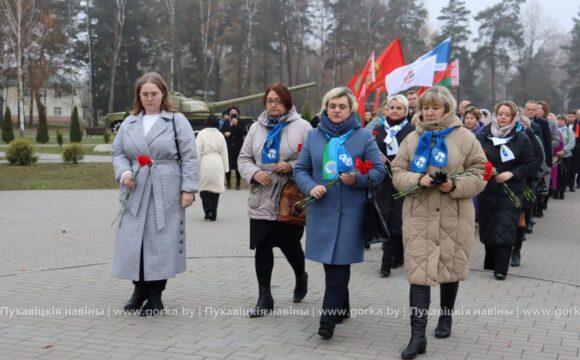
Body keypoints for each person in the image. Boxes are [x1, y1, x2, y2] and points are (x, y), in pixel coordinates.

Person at [392, 86, 486, 359]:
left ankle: (446, 317)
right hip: (419, 215)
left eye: (435, 107)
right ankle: (417, 335)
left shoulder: (465, 137)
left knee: (449, 268)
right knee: (419, 273)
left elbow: (480, 172)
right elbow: (397, 171)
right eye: (425, 107)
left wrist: (453, 185)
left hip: (453, 215)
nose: (429, 112)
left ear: (447, 108)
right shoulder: (411, 138)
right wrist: (415, 179)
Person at [294, 86, 385, 340]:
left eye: (342, 106)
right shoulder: (314, 136)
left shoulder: (363, 137)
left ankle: (327, 320)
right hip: (321, 211)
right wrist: (311, 187)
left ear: (351, 110)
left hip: (351, 213)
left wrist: (356, 179)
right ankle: (342, 306)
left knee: (338, 267)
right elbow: (300, 169)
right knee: (330, 263)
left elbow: (378, 171)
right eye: (332, 106)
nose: (336, 110)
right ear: (325, 107)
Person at [111, 72, 199, 316]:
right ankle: (138, 290)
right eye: (145, 94)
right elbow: (118, 152)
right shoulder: (129, 122)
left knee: (161, 242)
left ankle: (156, 296)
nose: (150, 98)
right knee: (134, 242)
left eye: (154, 94)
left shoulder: (175, 120)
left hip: (166, 188)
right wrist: (124, 172)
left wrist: (188, 189)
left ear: (163, 95)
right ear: (139, 96)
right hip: (135, 188)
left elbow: (190, 155)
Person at [237, 83, 312, 318]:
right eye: (269, 100)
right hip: (262, 195)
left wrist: (290, 165)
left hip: (290, 196)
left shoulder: (303, 127)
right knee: (263, 246)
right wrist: (252, 173)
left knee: (290, 246)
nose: (273, 105)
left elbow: (311, 159)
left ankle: (301, 276)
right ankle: (264, 296)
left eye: (278, 100)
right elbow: (243, 158)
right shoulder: (256, 128)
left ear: (287, 102)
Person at [477, 101, 536, 280]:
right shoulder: (484, 135)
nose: (503, 117)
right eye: (500, 113)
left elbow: (530, 164)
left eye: (506, 114)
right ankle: (490, 264)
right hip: (487, 190)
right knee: (488, 227)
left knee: (506, 228)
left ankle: (501, 269)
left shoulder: (521, 138)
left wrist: (511, 173)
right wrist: (486, 169)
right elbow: (475, 157)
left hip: (511, 191)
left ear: (513, 118)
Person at [373, 95, 414, 277]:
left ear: (405, 111)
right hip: (383, 181)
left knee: (398, 218)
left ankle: (389, 261)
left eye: (399, 108)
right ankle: (391, 258)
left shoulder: (412, 130)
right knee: (386, 216)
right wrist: (376, 157)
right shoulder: (379, 130)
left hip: (403, 179)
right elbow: (370, 149)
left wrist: (402, 161)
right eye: (392, 107)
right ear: (386, 110)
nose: (395, 110)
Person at [196, 114, 229, 221]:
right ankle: (213, 211)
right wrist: (225, 168)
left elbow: (197, 151)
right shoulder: (220, 135)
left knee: (203, 188)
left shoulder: (201, 134)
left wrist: (194, 166)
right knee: (216, 189)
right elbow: (224, 153)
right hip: (217, 162)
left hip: (205, 162)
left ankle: (207, 210)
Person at [221, 106, 246, 190]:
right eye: (231, 113)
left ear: (238, 114)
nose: (233, 114)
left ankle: (238, 184)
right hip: (228, 146)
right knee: (228, 165)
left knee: (237, 165)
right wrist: (225, 133)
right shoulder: (226, 122)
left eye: (235, 113)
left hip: (238, 146)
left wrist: (236, 125)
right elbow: (221, 131)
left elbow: (244, 132)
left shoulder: (241, 122)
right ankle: (228, 183)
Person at [555, 114, 576, 199]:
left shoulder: (568, 131)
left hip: (566, 156)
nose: (560, 121)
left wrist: (563, 150)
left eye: (562, 120)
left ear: (565, 121)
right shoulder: (555, 130)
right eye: (558, 119)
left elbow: (571, 143)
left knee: (564, 174)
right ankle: (555, 191)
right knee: (556, 174)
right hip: (556, 156)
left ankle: (562, 192)